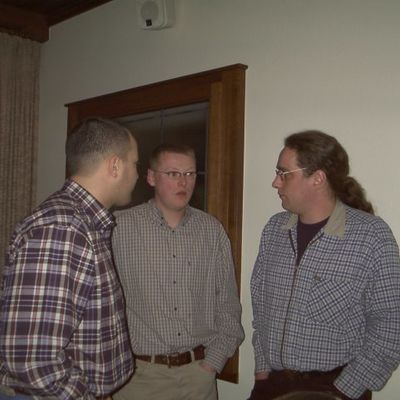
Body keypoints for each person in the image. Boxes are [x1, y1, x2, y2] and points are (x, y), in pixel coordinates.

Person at [249, 130, 400, 400]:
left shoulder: (371, 236)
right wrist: (262, 368)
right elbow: (260, 306)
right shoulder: (274, 230)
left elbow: (391, 324)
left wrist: (345, 389)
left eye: (284, 173)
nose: (275, 182)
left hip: (334, 388)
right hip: (272, 384)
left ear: (317, 178)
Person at [0, 117, 139, 399]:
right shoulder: (64, 228)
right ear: (115, 166)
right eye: (135, 163)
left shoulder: (85, 224)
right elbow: (31, 361)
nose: (137, 174)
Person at [112, 143, 244, 400]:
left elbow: (228, 304)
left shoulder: (212, 231)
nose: (183, 182)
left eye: (190, 173)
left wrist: (212, 364)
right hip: (138, 379)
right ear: (151, 177)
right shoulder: (118, 228)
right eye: (173, 173)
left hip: (199, 377)